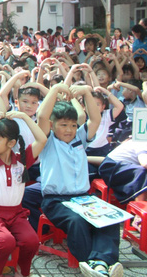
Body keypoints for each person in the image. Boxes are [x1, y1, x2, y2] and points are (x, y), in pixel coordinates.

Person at [36, 83, 123, 277]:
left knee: (109, 219)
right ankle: (91, 262)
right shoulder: (47, 142)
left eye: (73, 125)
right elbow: (42, 115)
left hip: (83, 198)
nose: (69, 130)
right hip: (56, 201)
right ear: (52, 125)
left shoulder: (80, 139)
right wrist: (56, 89)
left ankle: (100, 263)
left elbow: (95, 118)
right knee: (77, 222)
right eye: (63, 125)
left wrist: (85, 92)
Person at [0, 111, 47, 277]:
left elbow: (42, 139)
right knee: (6, 241)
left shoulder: (22, 160)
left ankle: (22, 270)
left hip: (17, 214)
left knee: (32, 241)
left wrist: (24, 117)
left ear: (11, 143)